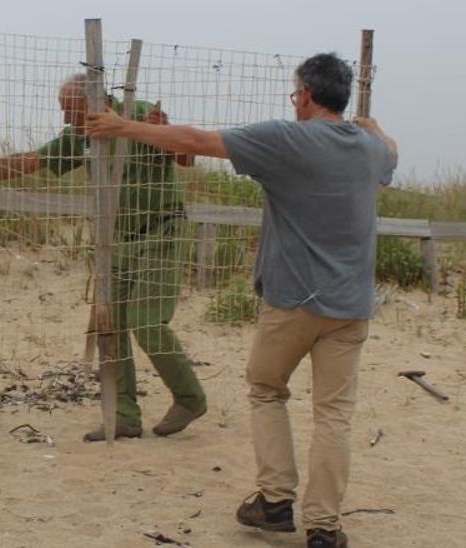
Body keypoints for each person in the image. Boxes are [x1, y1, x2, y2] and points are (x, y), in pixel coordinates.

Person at [85, 52, 398, 548]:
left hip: (293, 300)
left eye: (297, 94)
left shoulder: (287, 138)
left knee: (267, 389)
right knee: (334, 414)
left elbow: (195, 141)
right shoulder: (371, 149)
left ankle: (275, 500)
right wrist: (376, 127)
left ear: (308, 96)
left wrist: (122, 127)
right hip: (352, 305)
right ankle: (324, 526)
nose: (294, 102)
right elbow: (390, 151)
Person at [0, 73, 208, 442]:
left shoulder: (143, 113)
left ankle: (189, 397)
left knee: (146, 321)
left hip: (162, 230)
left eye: (71, 110)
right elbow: (32, 161)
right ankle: (124, 415)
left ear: (97, 102)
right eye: (64, 112)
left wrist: (161, 133)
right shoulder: (79, 136)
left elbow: (187, 157)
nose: (67, 120)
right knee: (110, 325)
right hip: (115, 238)